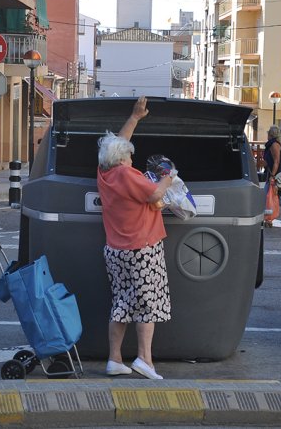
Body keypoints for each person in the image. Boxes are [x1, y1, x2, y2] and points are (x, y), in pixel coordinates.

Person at [96, 96, 173, 380]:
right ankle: (144, 359)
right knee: (147, 306)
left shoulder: (105, 172)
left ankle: (115, 360)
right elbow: (155, 194)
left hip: (116, 250)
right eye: (129, 154)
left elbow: (118, 142)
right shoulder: (128, 174)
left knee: (122, 304)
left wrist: (135, 117)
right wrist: (169, 177)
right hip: (142, 250)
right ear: (122, 159)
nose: (132, 158)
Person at [262, 125, 281, 227]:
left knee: (267, 196)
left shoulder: (274, 145)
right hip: (272, 174)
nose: (267, 134)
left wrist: (273, 176)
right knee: (273, 196)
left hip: (274, 176)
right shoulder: (272, 144)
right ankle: (268, 220)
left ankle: (268, 219)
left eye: (268, 133)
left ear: (271, 134)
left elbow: (277, 162)